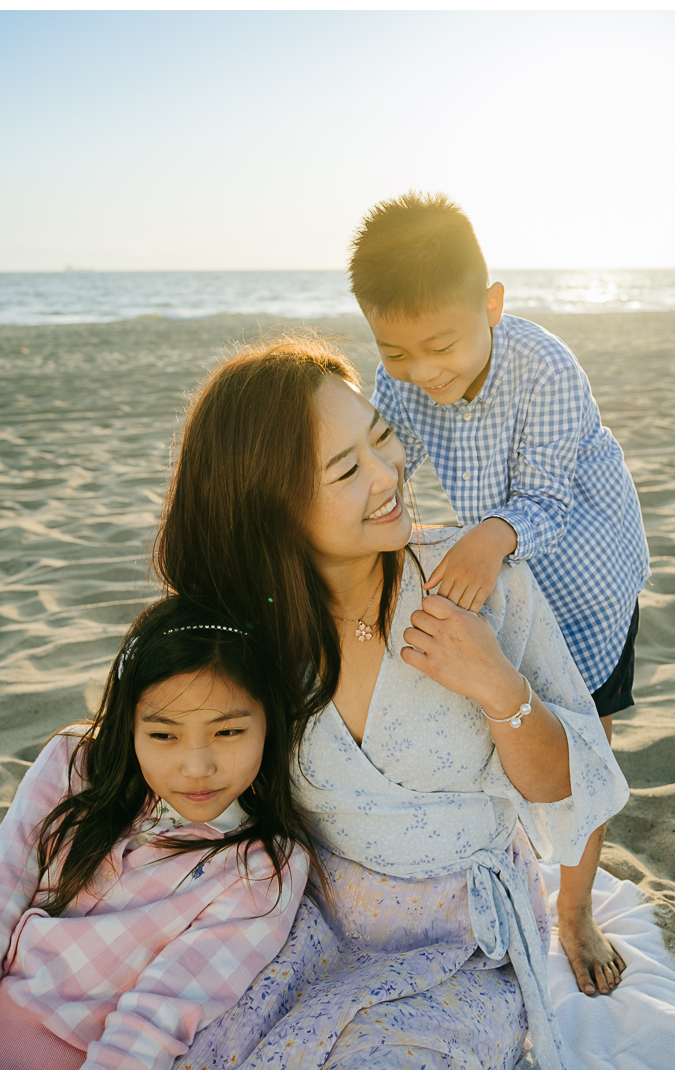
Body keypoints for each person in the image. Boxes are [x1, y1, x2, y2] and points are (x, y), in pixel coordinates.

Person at [154, 336, 630, 1069]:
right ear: (267, 508)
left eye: (384, 439)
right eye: (346, 468)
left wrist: (499, 687)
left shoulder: (480, 587)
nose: (389, 475)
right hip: (308, 924)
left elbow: (567, 785)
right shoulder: (250, 632)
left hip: (460, 944)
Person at [347, 192, 650, 997]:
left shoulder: (543, 366)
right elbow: (389, 458)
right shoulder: (401, 378)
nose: (422, 370)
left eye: (440, 344)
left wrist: (489, 536)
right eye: (397, 351)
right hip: (510, 577)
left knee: (582, 733)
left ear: (492, 305)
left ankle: (577, 907)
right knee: (509, 712)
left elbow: (546, 499)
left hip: (586, 571)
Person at [0, 595, 314, 1070]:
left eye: (228, 732)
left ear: (268, 723)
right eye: (163, 735)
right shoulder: (73, 766)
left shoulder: (261, 866)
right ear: (129, 725)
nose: (197, 767)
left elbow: (158, 1017)